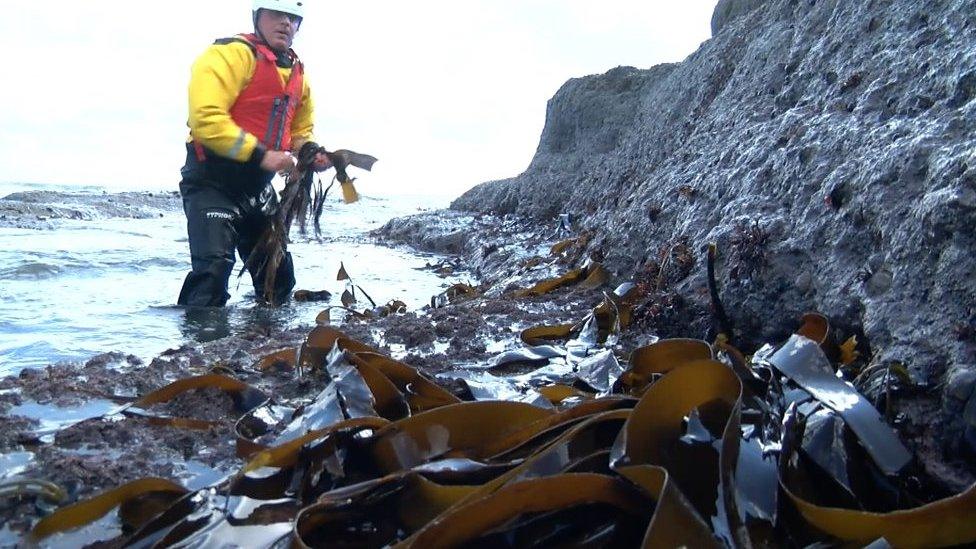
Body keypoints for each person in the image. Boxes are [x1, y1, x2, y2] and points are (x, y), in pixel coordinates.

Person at [177, 0, 331, 307]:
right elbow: (206, 119)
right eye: (277, 14)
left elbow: (300, 131)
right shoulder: (227, 55)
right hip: (212, 185)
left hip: (258, 189)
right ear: (258, 17)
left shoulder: (299, 75)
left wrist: (310, 152)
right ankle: (194, 350)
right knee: (214, 270)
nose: (286, 23)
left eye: (293, 18)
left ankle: (263, 338)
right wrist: (261, 155)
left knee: (279, 276)